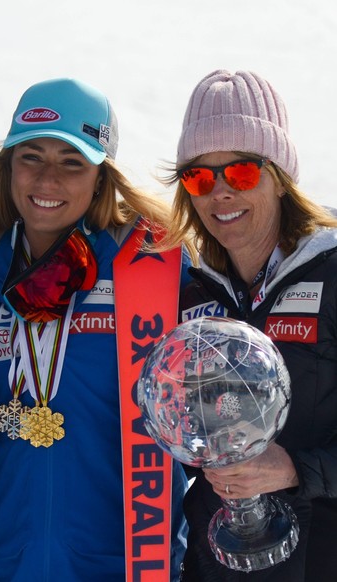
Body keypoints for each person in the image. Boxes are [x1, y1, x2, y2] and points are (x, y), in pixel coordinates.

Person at [0, 77, 191, 582]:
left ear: (100, 177)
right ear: (8, 168)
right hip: (7, 561)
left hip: (125, 561)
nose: (48, 181)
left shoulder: (153, 264)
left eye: (72, 163)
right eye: (31, 157)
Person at [162, 69, 337, 581]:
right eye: (199, 177)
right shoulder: (189, 288)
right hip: (215, 558)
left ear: (280, 177)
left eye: (240, 172)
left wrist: (294, 469)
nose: (220, 192)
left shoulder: (331, 270)